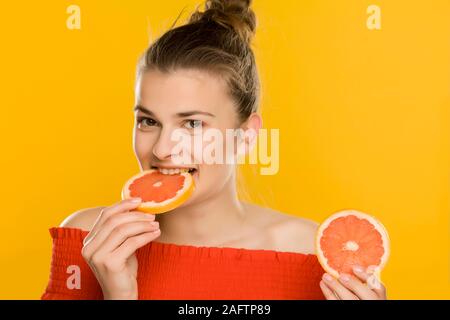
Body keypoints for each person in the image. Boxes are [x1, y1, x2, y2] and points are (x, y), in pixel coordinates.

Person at [41, 0, 387, 300]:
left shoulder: (313, 254)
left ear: (246, 135)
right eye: (148, 121)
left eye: (192, 124)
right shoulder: (88, 240)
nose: (162, 149)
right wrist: (118, 295)